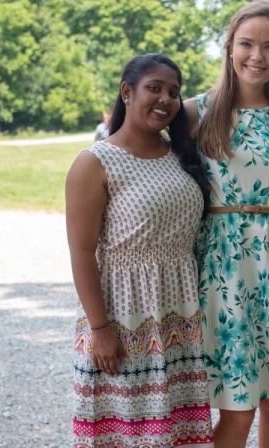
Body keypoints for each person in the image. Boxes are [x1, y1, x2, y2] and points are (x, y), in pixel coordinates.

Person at [66, 53, 214, 447]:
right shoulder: (95, 162)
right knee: (129, 430)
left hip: (178, 317)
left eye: (173, 92)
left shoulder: (180, 155)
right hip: (123, 318)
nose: (165, 99)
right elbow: (82, 253)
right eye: (155, 88)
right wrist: (100, 330)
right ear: (127, 92)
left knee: (176, 432)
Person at [184, 0, 269, 448]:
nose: (258, 56)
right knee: (236, 403)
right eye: (247, 44)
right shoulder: (196, 112)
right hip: (221, 267)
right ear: (229, 47)